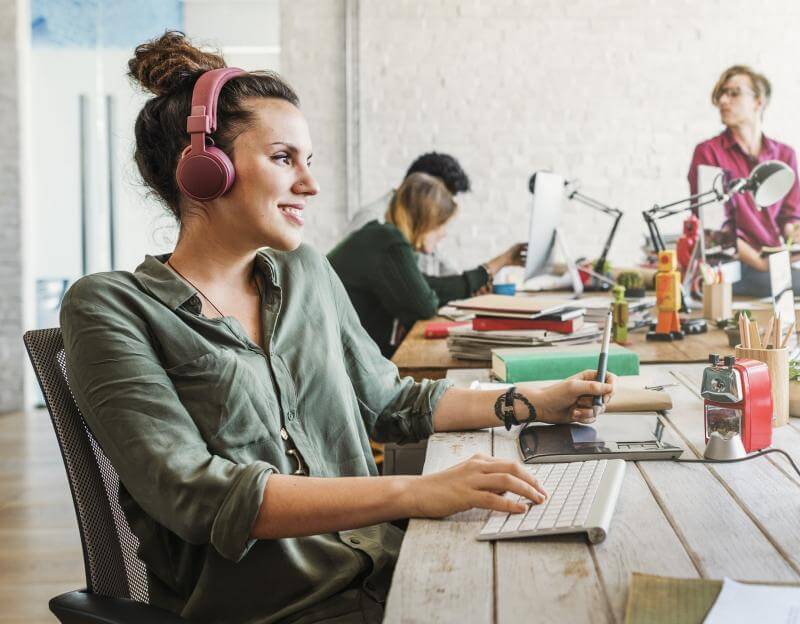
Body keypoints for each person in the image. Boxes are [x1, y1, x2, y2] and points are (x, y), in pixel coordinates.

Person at [60, 31, 613, 623]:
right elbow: (200, 494)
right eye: (282, 158)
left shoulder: (305, 271)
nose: (310, 184)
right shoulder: (110, 308)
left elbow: (391, 401)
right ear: (202, 170)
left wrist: (534, 402)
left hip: (385, 574)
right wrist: (416, 493)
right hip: (282, 611)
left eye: (309, 160)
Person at [329, 172, 526, 357]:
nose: (444, 233)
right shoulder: (388, 241)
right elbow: (424, 304)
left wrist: (496, 264)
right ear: (425, 221)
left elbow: (425, 286)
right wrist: (492, 267)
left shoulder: (381, 236)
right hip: (341, 361)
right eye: (442, 225)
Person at [687, 65, 800, 298]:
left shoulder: (784, 155)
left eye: (733, 93)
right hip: (730, 265)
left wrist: (799, 232)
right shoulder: (708, 153)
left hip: (770, 261)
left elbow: (791, 216)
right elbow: (715, 232)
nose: (722, 100)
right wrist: (763, 265)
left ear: (758, 102)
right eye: (721, 93)